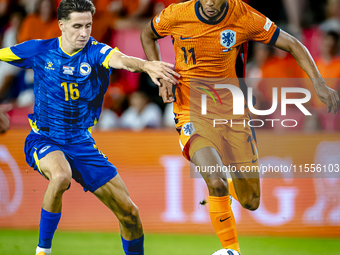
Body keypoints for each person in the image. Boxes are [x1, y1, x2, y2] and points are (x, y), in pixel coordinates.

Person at [140, 0, 340, 253]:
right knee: (216, 181)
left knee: (251, 201)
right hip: (191, 111)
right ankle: (231, 250)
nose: (211, 3)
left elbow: (292, 44)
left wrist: (319, 84)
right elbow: (147, 33)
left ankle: (226, 196)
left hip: (233, 115)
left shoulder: (243, 15)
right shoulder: (177, 14)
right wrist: (158, 74)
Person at [0, 0, 179, 255]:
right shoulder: (39, 50)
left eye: (88, 26)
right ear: (61, 25)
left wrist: (145, 65)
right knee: (61, 177)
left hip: (82, 143)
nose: (83, 33)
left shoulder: (96, 52)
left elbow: (122, 60)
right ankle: (42, 251)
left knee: (130, 213)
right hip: (44, 139)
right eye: (76, 26)